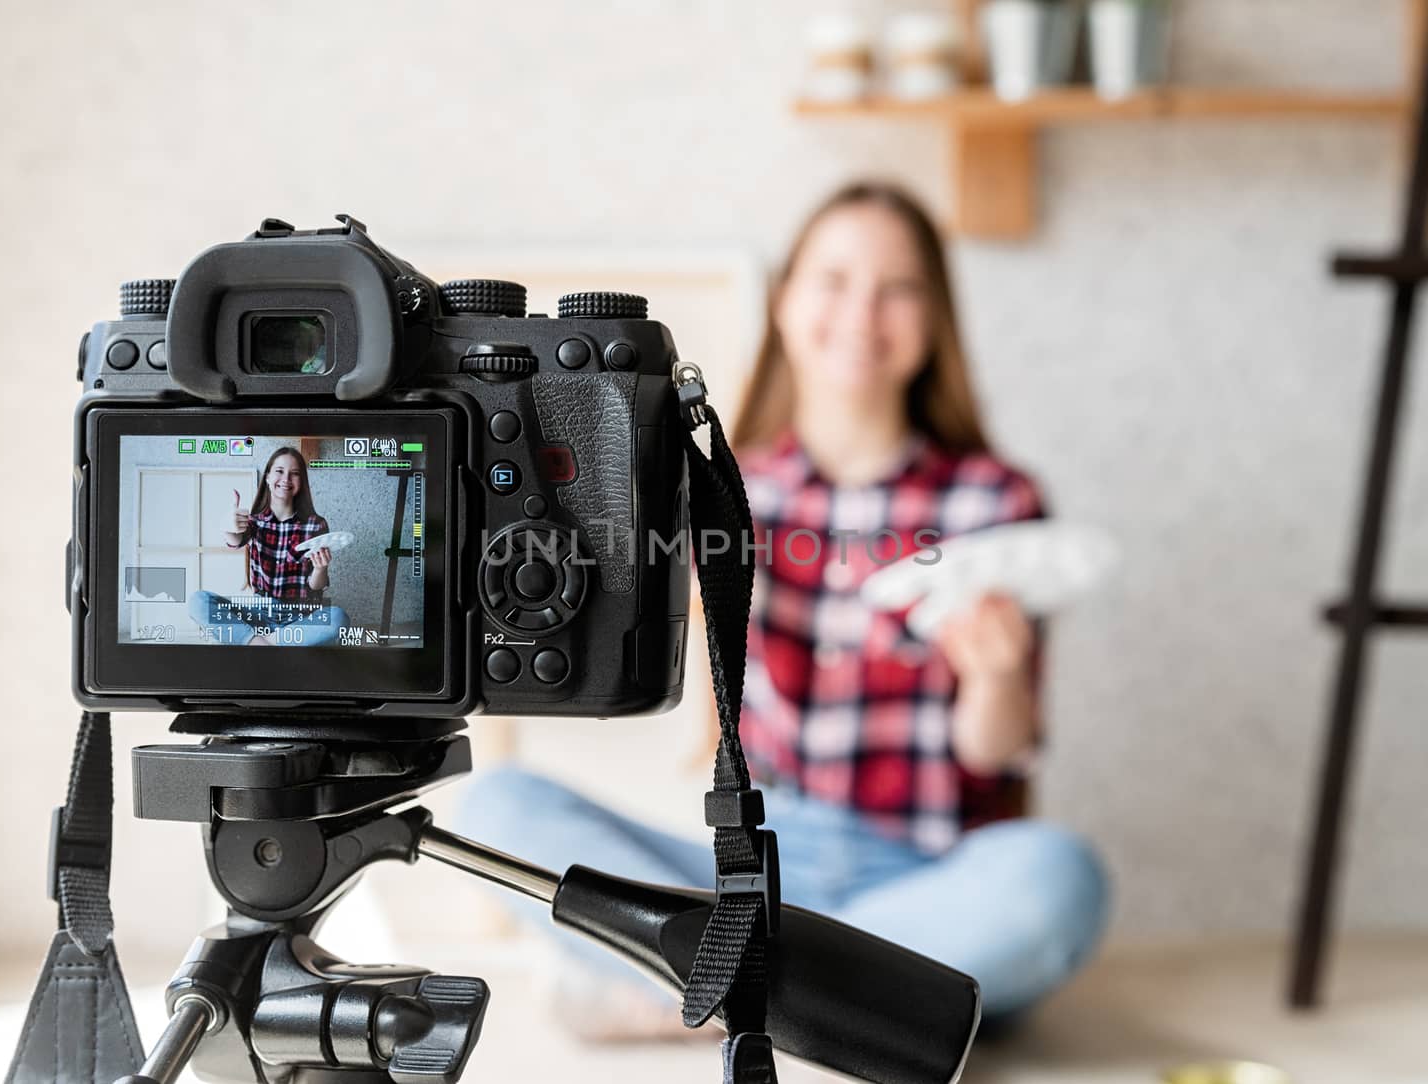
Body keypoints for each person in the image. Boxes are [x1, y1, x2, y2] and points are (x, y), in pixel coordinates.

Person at [456, 181, 1110, 1039]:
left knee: (1057, 879)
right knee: (496, 808)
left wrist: (992, 675)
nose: (861, 314)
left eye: (899, 288)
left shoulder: (994, 501)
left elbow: (999, 751)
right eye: (833, 280)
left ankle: (698, 999)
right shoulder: (721, 491)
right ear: (786, 300)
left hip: (927, 866)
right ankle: (867, 1012)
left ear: (935, 316)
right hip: (751, 870)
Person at [188, 446, 347, 646]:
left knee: (338, 618)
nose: (286, 479)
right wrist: (229, 526)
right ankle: (258, 642)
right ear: (268, 478)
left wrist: (321, 568)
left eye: (295, 473)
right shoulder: (254, 521)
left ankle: (262, 643)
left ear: (302, 481)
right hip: (258, 614)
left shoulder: (316, 524)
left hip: (299, 618)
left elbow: (316, 586)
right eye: (279, 471)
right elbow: (235, 540)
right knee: (198, 601)